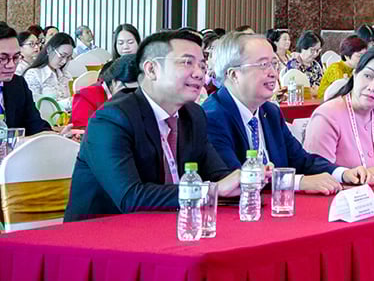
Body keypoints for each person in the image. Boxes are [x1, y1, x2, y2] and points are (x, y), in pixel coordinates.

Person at [64, 30, 243, 222]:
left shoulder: (193, 115)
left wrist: (247, 179)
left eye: (202, 65)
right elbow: (130, 197)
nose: (199, 73)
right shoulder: (111, 120)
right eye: (187, 62)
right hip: (103, 231)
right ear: (151, 70)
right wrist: (211, 189)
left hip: (172, 224)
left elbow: (219, 176)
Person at [203, 34, 370, 194]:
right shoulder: (212, 117)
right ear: (234, 74)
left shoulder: (270, 111)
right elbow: (235, 180)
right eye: (263, 65)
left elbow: (301, 160)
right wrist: (298, 182)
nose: (274, 74)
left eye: (274, 64)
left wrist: (342, 173)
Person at [303, 48, 374, 176]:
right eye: (367, 76)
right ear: (354, 75)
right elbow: (317, 177)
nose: (373, 87)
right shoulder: (327, 116)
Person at [0, 23, 51, 136]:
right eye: (3, 58)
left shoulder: (17, 84)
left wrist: (56, 137)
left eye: (16, 57)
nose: (11, 65)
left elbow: (36, 125)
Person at [69, 54, 139, 130]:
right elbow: (81, 131)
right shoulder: (86, 96)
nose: (133, 94)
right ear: (114, 82)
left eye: (138, 89)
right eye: (130, 90)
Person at [23, 32, 75, 105]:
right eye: (62, 56)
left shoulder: (66, 75)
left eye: (68, 57)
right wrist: (68, 103)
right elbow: (34, 105)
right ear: (49, 49)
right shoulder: (34, 74)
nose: (64, 61)